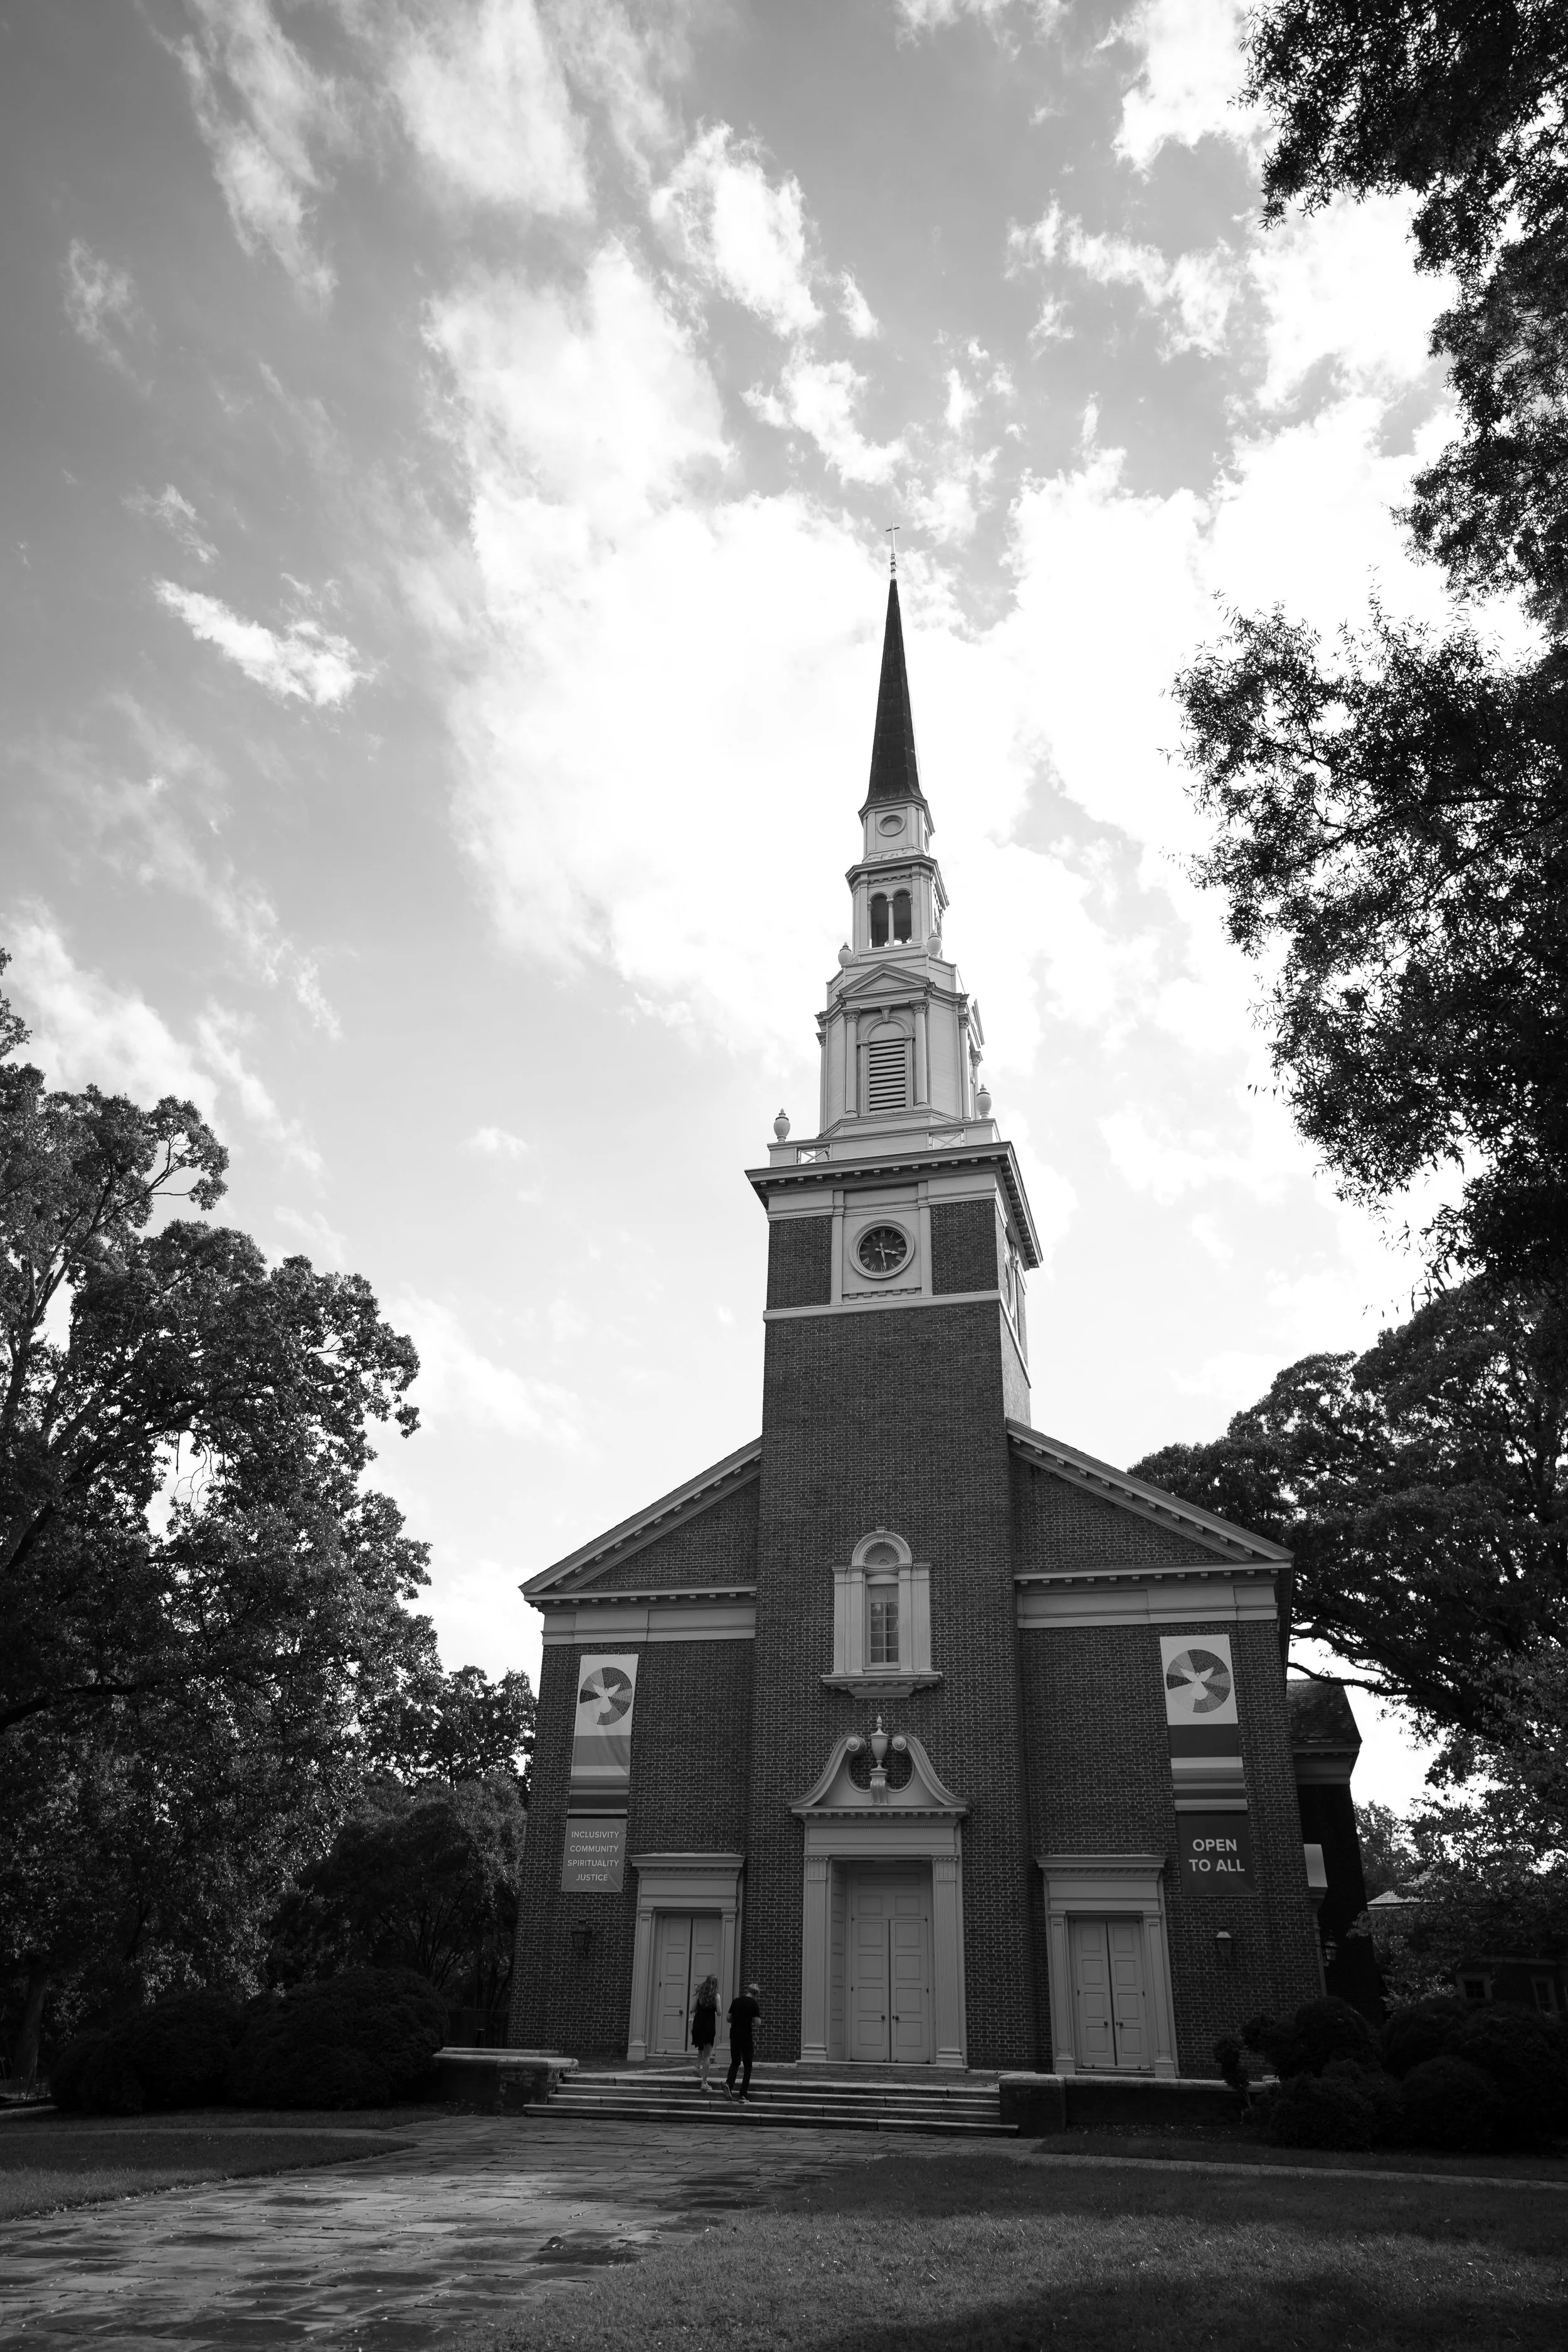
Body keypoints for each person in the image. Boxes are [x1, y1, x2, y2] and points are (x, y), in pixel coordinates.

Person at [725, 1981, 762, 2101]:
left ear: (748, 1991)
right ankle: (743, 2093)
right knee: (748, 2065)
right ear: (756, 1994)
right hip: (746, 2036)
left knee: (735, 2062)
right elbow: (758, 2023)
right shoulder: (754, 2004)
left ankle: (729, 2085)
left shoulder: (736, 2001)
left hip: (734, 2035)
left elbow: (728, 2018)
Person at [690, 1974, 719, 2092]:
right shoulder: (716, 1996)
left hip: (698, 2023)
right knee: (707, 2055)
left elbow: (693, 2009)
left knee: (701, 2047)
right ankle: (704, 2082)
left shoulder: (700, 1995)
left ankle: (697, 2067)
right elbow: (720, 2012)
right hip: (709, 2025)